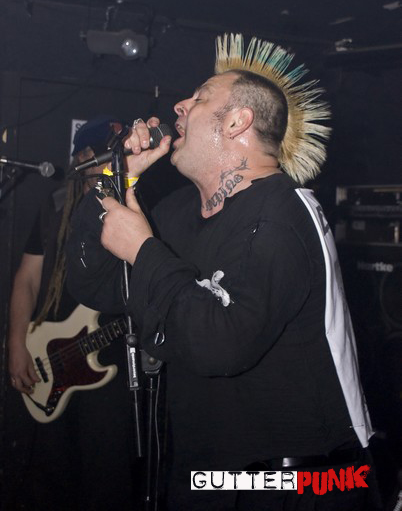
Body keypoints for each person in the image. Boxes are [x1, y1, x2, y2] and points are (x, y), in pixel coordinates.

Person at [66, 35, 379, 510]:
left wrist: (143, 249)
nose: (180, 105)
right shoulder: (176, 214)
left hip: (294, 483)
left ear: (237, 121)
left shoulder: (284, 213)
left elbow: (221, 344)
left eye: (200, 97)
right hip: (207, 476)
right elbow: (93, 283)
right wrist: (118, 176)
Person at [7, 117, 138, 511]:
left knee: (105, 478)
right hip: (52, 353)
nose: (111, 163)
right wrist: (16, 343)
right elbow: (27, 278)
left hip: (109, 359)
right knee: (49, 476)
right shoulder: (55, 206)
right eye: (103, 154)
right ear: (82, 158)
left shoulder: (129, 205)